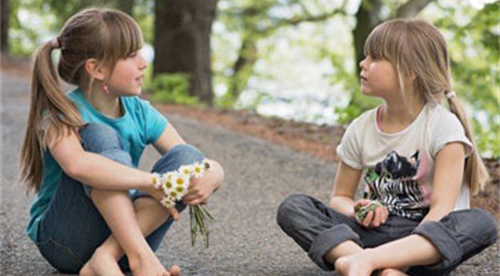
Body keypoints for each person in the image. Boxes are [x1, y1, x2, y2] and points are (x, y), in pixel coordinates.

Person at [276, 19, 497, 276]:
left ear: (410, 71)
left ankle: (366, 263)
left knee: (481, 223)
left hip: (422, 245)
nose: (363, 63)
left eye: (375, 58)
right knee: (293, 207)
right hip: (369, 234)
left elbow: (441, 210)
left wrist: (399, 259)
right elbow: (340, 198)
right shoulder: (361, 127)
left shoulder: (443, 127)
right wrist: (357, 210)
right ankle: (370, 264)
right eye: (366, 56)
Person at [19, 7, 224, 276]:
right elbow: (78, 166)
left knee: (188, 155)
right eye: (131, 55)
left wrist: (214, 173)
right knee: (98, 136)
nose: (144, 62)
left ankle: (108, 256)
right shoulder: (61, 114)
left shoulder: (140, 111)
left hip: (124, 239)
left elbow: (189, 158)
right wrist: (151, 182)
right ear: (97, 69)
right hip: (66, 243)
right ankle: (141, 260)